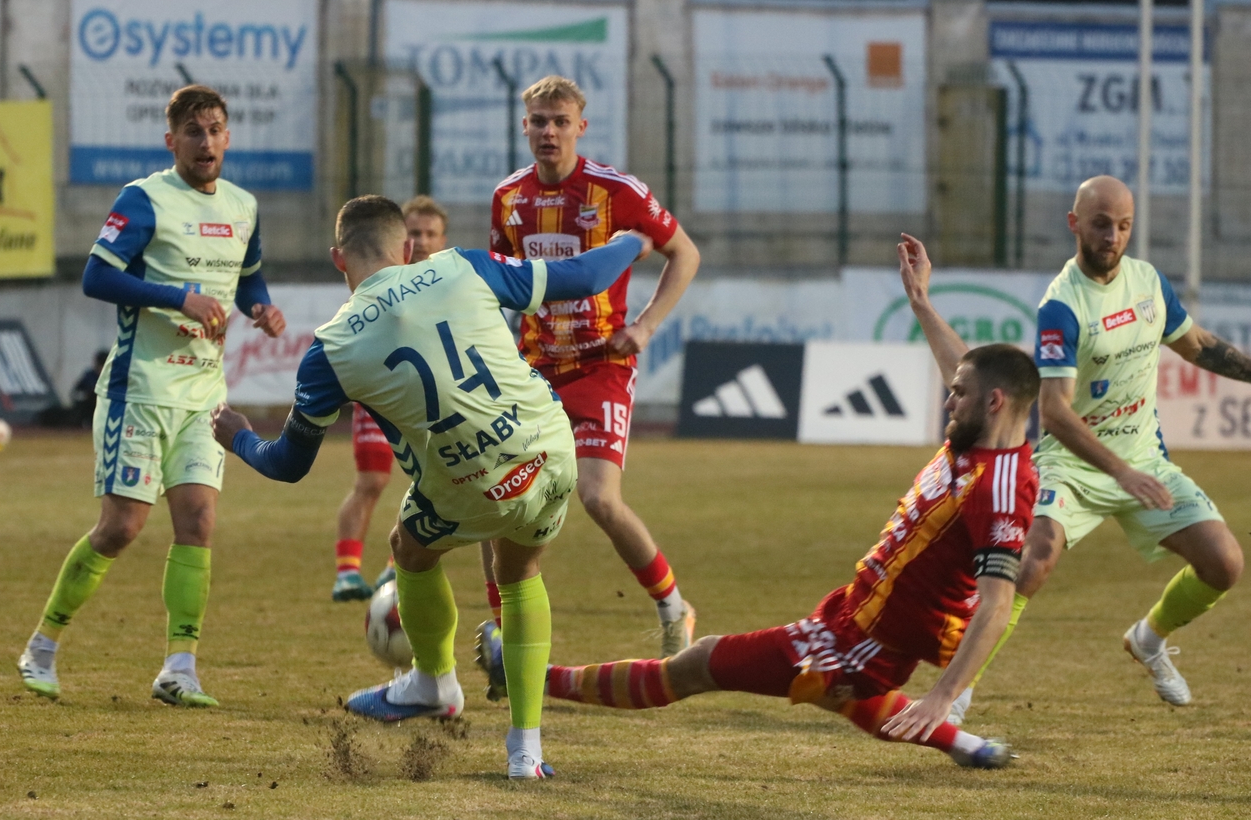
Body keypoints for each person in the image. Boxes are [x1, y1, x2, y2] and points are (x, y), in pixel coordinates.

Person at [481, 236, 1039, 770]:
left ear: (993, 403)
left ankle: (530, 674)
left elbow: (995, 605)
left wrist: (943, 696)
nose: (947, 400)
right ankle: (968, 747)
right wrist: (920, 303)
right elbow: (965, 367)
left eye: (958, 394)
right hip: (854, 617)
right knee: (844, 695)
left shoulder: (998, 487)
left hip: (865, 641)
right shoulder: (982, 433)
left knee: (698, 664)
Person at [210, 195, 652, 779]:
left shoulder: (330, 349)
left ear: (338, 258)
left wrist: (240, 437)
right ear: (409, 248)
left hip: (467, 485)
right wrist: (632, 240)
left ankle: (434, 683)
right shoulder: (462, 265)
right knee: (519, 574)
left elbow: (288, 464)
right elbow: (587, 276)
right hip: (549, 455)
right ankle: (525, 753)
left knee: (409, 547)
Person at [17, 85, 287, 707]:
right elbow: (96, 276)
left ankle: (179, 668)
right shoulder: (143, 199)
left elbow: (248, 278)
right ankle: (42, 647)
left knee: (198, 522)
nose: (205, 141)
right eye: (193, 131)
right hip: (139, 390)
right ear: (171, 141)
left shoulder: (244, 207)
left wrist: (262, 308)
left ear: (228, 137)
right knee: (121, 528)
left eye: (215, 129)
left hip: (204, 397)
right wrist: (177, 297)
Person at [949, 175, 1246, 724]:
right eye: (1101, 224)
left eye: (1124, 226)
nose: (1113, 237)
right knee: (1031, 563)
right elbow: (1055, 413)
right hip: (1073, 464)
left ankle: (1149, 638)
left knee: (1224, 564)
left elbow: (1198, 346)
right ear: (1075, 224)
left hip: (1144, 459)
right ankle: (957, 693)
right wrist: (1120, 472)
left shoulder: (1148, 283)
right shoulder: (1061, 305)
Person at [484, 74, 701, 659]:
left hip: (601, 366)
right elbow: (503, 281)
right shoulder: (509, 197)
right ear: (524, 126)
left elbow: (685, 253)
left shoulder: (616, 191)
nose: (549, 132)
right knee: (496, 495)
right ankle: (502, 631)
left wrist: (645, 326)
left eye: (561, 122)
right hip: (534, 369)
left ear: (580, 126)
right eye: (539, 121)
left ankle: (672, 606)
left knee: (600, 499)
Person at [332, 195, 452, 601]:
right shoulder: (377, 277)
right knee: (371, 480)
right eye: (415, 232)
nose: (423, 241)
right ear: (402, 239)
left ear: (443, 239)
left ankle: (392, 568)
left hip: (431, 401)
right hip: (380, 394)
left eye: (431, 233)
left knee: (433, 483)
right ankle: (347, 573)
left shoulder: (450, 280)